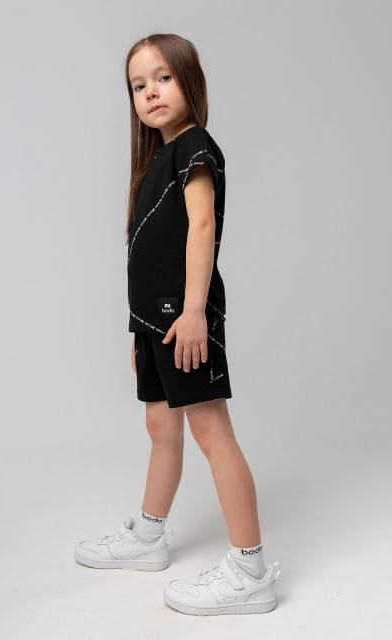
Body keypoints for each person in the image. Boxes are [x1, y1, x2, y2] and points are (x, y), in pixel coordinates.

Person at [74, 33, 281, 616]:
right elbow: (150, 252)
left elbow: (201, 228)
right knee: (160, 428)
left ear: (191, 80)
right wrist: (140, 329)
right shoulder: (156, 160)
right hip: (156, 323)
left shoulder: (196, 147)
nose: (151, 92)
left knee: (212, 432)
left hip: (184, 318)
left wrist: (193, 312)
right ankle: (148, 537)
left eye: (163, 77)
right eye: (138, 85)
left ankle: (249, 570)